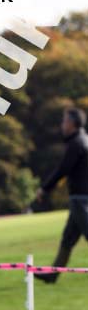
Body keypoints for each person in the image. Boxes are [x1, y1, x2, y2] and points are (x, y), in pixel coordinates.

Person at [35, 107, 88, 284]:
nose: (62, 125)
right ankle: (53, 274)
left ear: (72, 124)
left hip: (80, 199)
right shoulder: (84, 140)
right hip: (81, 198)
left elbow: (62, 170)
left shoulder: (76, 144)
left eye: (64, 121)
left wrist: (44, 189)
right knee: (68, 239)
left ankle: (53, 274)